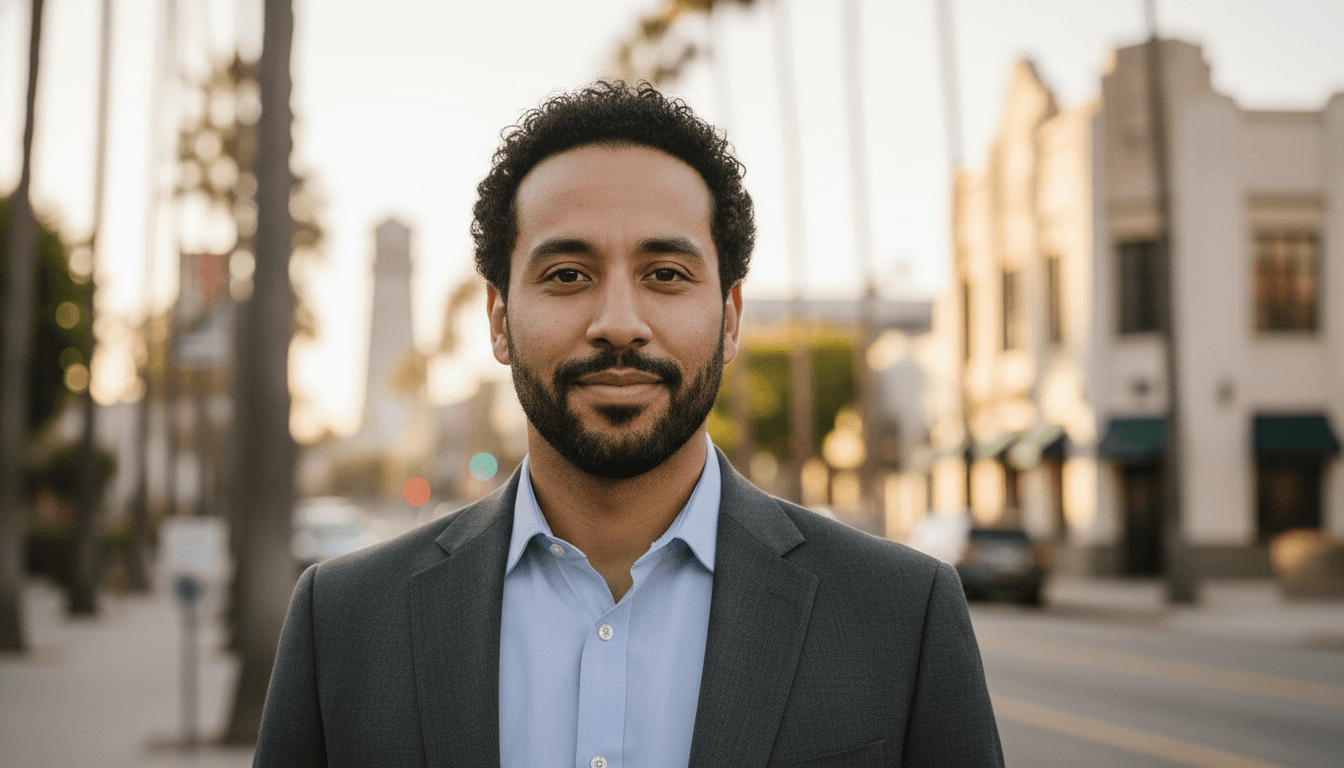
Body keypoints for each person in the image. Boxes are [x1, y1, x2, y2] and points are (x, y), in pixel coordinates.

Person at [254, 81, 1004, 768]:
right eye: (567, 276)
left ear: (730, 318)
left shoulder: (903, 616)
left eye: (667, 276)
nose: (619, 324)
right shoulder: (344, 623)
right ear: (499, 319)